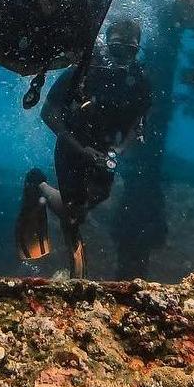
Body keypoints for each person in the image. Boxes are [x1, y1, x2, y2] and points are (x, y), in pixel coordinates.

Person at [16, 17, 152, 278]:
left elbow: (138, 125)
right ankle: (40, 187)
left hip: (105, 151)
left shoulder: (140, 80)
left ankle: (45, 191)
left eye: (130, 50)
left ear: (137, 50)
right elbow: (49, 113)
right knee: (74, 210)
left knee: (98, 196)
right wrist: (80, 149)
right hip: (72, 145)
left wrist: (117, 151)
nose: (123, 56)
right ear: (106, 45)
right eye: (116, 48)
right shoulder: (83, 70)